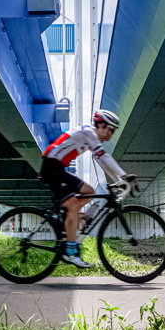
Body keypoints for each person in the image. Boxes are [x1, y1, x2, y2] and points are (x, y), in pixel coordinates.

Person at [41, 109, 135, 268]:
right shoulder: (88, 132)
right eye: (111, 130)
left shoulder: (90, 136)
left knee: (89, 191)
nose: (111, 135)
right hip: (52, 168)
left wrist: (119, 179)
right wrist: (123, 177)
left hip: (58, 168)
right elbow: (104, 156)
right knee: (72, 206)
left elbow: (101, 160)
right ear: (103, 126)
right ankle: (70, 252)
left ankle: (74, 218)